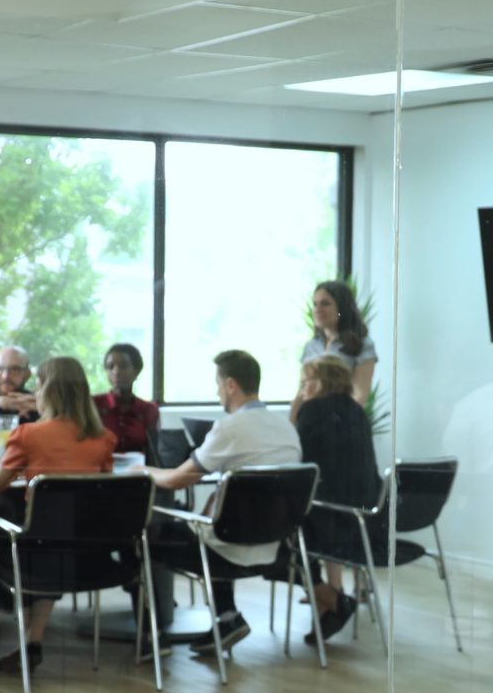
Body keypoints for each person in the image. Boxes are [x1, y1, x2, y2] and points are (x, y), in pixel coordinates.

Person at [146, 349, 300, 659]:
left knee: (150, 538)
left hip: (226, 550)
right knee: (215, 525)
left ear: (231, 384)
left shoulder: (230, 427)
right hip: (274, 547)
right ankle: (227, 618)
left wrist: (144, 471)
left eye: (218, 383)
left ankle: (153, 637)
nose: (217, 391)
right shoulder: (287, 429)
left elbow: (177, 480)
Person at [0, 357, 118, 675]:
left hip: (34, 549)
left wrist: (27, 475)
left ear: (47, 390)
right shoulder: (104, 438)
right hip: (87, 550)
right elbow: (102, 485)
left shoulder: (28, 435)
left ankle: (26, 636)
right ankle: (32, 641)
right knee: (54, 536)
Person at [293, 356, 380, 642]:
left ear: (323, 383)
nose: (302, 390)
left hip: (331, 519)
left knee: (283, 533)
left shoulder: (312, 410)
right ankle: (332, 600)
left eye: (305, 383)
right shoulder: (357, 411)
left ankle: (333, 601)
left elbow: (298, 460)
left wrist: (295, 410)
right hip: (364, 520)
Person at [298, 280, 377, 410]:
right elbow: (301, 393)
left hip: (343, 417)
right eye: (315, 304)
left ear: (341, 309)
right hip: (310, 416)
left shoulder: (362, 345)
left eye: (325, 304)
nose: (317, 310)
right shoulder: (311, 346)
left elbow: (360, 395)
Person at [96, 342, 158, 458]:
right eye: (110, 367)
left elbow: (153, 452)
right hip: (101, 466)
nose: (116, 371)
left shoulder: (148, 409)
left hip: (138, 467)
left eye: (123, 366)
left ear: (137, 370)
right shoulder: (94, 405)